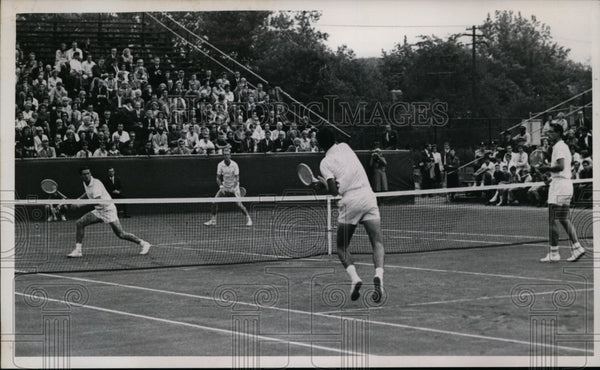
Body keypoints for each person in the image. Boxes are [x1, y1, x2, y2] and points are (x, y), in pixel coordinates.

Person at [314, 127, 385, 303]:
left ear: (318, 143)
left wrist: (322, 185)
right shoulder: (345, 147)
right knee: (377, 242)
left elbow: (333, 192)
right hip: (368, 196)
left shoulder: (325, 162)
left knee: (341, 247)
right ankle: (379, 276)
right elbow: (347, 174)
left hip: (350, 201)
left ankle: (355, 278)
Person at [67, 167, 150, 257]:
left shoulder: (96, 184)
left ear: (90, 173)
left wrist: (78, 205)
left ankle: (144, 243)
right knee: (80, 223)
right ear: (81, 176)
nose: (87, 176)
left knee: (121, 234)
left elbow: (96, 201)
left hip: (108, 210)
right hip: (99, 210)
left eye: (88, 173)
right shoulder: (85, 183)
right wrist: (78, 200)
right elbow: (87, 193)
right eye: (84, 174)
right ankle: (78, 250)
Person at [537, 124, 584, 262]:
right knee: (563, 218)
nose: (548, 135)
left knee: (552, 220)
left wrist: (546, 167)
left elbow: (561, 166)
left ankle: (554, 253)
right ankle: (577, 247)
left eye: (551, 132)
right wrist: (549, 178)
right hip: (566, 185)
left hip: (560, 187)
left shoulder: (558, 147)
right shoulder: (563, 147)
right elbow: (563, 170)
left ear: (558, 133)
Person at [204, 149, 253, 227]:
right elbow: (218, 178)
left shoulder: (235, 165)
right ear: (223, 156)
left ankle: (249, 219)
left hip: (234, 187)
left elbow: (237, 178)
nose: (226, 156)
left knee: (239, 205)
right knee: (214, 202)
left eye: (227, 154)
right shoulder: (220, 165)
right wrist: (221, 187)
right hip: (224, 186)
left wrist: (233, 188)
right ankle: (213, 221)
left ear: (230, 155)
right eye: (225, 154)